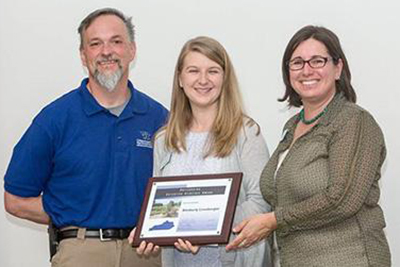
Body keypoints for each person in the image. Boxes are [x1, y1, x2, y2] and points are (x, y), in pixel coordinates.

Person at [4, 8, 167, 267]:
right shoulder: (54, 119)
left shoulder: (158, 118)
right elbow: (15, 200)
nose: (106, 51)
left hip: (144, 254)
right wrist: (68, 213)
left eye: (116, 41)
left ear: (132, 50)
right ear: (83, 55)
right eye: (95, 44)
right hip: (80, 253)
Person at [225, 25, 391, 266]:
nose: (307, 70)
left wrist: (274, 220)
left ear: (338, 68)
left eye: (317, 61)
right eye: (297, 63)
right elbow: (278, 195)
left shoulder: (354, 121)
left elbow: (342, 200)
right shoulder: (292, 127)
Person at [130, 36, 271, 267]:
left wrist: (201, 227)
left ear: (225, 78)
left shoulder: (246, 133)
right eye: (193, 70)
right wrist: (149, 230)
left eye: (213, 71)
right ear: (180, 79)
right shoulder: (164, 140)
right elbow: (163, 204)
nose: (203, 80)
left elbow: (260, 202)